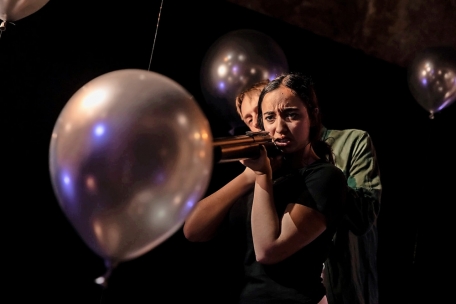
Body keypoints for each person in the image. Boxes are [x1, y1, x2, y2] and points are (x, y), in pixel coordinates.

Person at [184, 72, 348, 304]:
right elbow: (193, 230)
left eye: (290, 115)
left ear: (312, 116)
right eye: (267, 118)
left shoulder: (324, 176)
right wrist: (249, 177)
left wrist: (261, 175)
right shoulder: (261, 176)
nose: (277, 128)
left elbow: (268, 250)